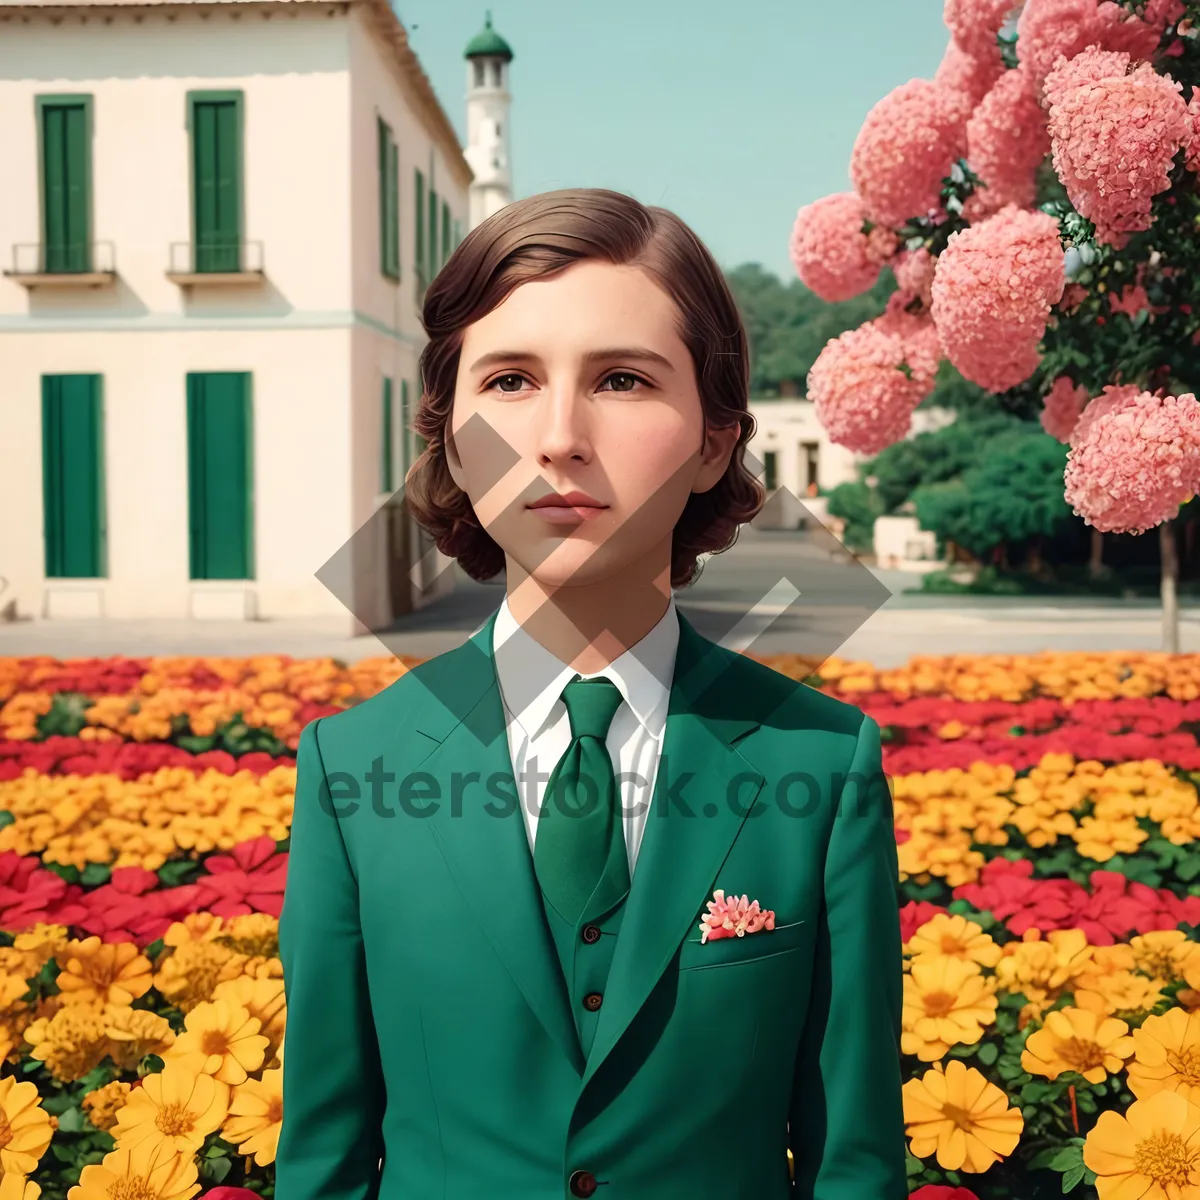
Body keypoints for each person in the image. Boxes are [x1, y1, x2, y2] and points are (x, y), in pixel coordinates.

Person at [276, 188, 906, 1199]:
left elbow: (854, 1162)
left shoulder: (821, 767)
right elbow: (325, 1162)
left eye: (621, 379)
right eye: (511, 379)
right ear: (450, 436)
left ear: (713, 438)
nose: (559, 435)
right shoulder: (353, 771)